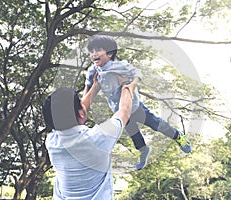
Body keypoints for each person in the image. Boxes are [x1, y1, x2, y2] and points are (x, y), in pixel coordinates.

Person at [83, 35, 191, 171]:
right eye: (92, 52)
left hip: (135, 106)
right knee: (133, 133)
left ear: (110, 54)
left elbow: (138, 73)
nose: (94, 55)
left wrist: (132, 85)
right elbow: (88, 86)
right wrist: (83, 106)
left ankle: (177, 136)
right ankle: (144, 150)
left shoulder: (120, 66)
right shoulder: (93, 71)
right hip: (119, 111)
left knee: (156, 124)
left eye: (98, 50)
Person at [42, 76, 136, 199]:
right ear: (80, 113)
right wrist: (128, 84)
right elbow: (124, 111)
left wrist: (96, 86)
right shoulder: (98, 138)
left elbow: (78, 112)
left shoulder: (52, 142)